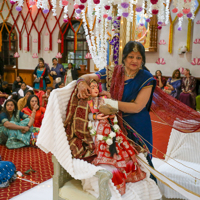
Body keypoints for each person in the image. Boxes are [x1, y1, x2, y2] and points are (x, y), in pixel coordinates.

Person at [76, 41, 156, 172]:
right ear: (124, 57)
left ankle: (147, 191)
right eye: (131, 56)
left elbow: (137, 107)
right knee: (118, 163)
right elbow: (89, 76)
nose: (134, 60)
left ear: (142, 60)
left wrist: (109, 103)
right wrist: (81, 83)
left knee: (142, 163)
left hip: (138, 126)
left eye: (138, 57)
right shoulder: (113, 71)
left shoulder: (146, 78)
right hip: (114, 123)